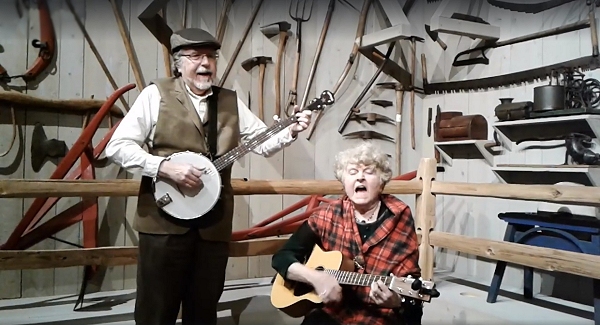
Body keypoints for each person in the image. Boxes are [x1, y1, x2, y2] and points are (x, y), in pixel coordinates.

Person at [104, 27, 312, 325]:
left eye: (211, 56)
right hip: (163, 222)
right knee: (155, 308)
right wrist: (163, 167)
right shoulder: (155, 94)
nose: (206, 63)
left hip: (213, 224)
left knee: (203, 307)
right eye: (196, 56)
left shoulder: (229, 100)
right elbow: (118, 146)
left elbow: (263, 142)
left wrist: (290, 130)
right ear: (178, 62)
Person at [271, 142, 424, 325]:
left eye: (369, 172)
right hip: (333, 311)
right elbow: (282, 257)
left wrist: (396, 302)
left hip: (377, 314)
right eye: (352, 172)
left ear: (382, 183)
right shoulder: (328, 214)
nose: (360, 178)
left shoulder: (399, 216)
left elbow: (411, 286)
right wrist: (315, 278)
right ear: (344, 183)